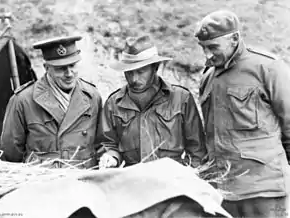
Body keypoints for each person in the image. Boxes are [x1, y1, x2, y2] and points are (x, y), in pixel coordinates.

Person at [195, 10, 290, 217]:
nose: (207, 55)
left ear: (235, 39)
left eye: (213, 47)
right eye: (203, 48)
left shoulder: (268, 68)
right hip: (222, 192)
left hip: (264, 191)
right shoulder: (208, 77)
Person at [98, 35, 205, 169]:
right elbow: (108, 144)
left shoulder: (181, 99)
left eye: (141, 72)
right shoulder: (114, 104)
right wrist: (111, 157)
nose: (134, 79)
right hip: (133, 182)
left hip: (173, 182)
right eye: (129, 72)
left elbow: (197, 150)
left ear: (155, 67)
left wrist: (187, 177)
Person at [0, 36, 102, 168]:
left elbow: (101, 143)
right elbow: (11, 152)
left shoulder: (92, 96)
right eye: (61, 68)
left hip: (82, 179)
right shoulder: (23, 100)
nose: (69, 74)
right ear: (46, 67)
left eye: (72, 65)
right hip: (44, 181)